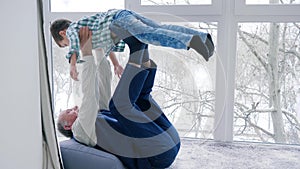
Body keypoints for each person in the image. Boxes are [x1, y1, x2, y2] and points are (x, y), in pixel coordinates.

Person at [57, 27, 181, 169]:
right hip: (158, 156)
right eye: (69, 111)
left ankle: (143, 48)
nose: (74, 107)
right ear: (68, 126)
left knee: (140, 99)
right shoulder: (80, 131)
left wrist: (98, 48)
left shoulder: (95, 119)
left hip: (170, 141)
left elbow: (104, 78)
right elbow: (89, 97)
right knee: (118, 106)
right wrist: (86, 54)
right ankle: (137, 50)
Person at [50, 8, 214, 81]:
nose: (70, 46)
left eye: (64, 44)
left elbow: (73, 49)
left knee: (148, 35)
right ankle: (202, 37)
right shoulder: (89, 35)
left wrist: (72, 66)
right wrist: (116, 65)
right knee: (158, 28)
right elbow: (105, 46)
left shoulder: (73, 30)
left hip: (118, 20)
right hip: (121, 15)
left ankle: (192, 41)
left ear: (62, 33)